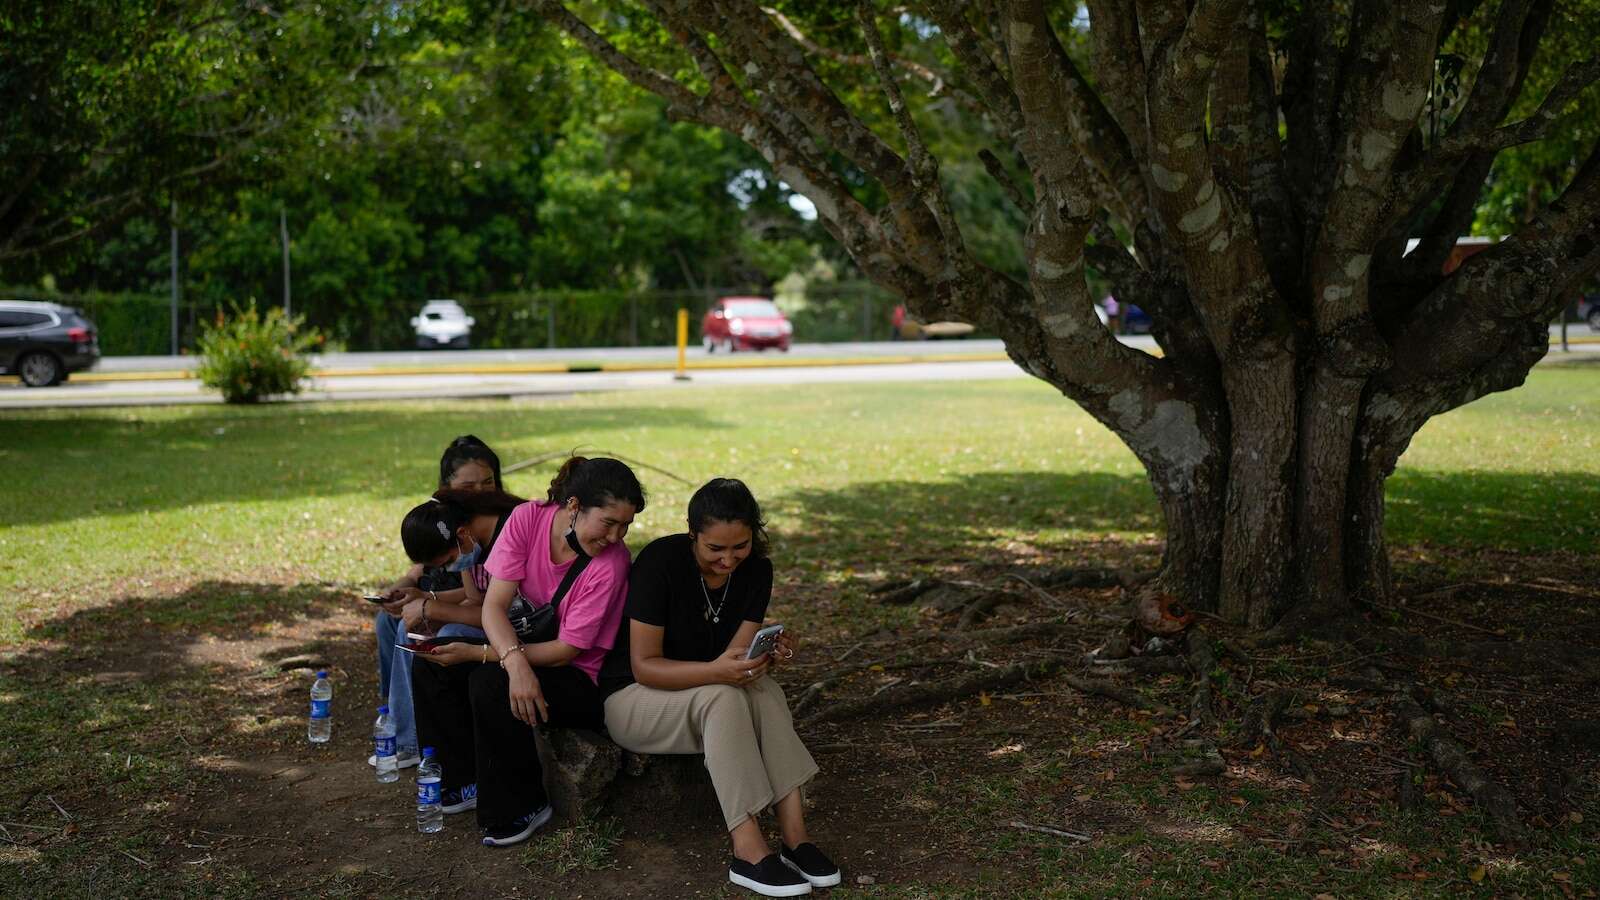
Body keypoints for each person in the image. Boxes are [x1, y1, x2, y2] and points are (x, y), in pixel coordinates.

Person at [600, 478, 839, 897]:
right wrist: (719, 673)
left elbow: (735, 660)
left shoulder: (757, 570)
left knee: (765, 692)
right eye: (715, 549)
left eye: (740, 546)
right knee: (723, 694)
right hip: (633, 701)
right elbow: (645, 667)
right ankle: (747, 851)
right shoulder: (661, 562)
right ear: (692, 533)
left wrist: (765, 657)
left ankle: (796, 840)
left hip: (703, 699)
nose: (729, 560)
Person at [422, 456, 643, 847]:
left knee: (489, 681)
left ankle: (522, 805)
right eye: (609, 522)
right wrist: (514, 660)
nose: (616, 536)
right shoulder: (527, 518)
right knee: (434, 654)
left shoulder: (612, 563)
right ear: (573, 506)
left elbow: (566, 650)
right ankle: (463, 780)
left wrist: (496, 659)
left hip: (580, 678)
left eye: (626, 525)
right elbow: (493, 605)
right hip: (524, 648)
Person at [369, 435, 503, 768]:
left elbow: (491, 603)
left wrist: (431, 604)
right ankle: (400, 718)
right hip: (460, 602)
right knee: (394, 621)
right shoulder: (451, 524)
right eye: (469, 485)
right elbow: (468, 590)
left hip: (496, 621)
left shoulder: (496, 528)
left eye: (488, 483)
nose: (480, 492)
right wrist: (414, 592)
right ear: (447, 488)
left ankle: (410, 736)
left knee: (414, 631)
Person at [392, 487, 526, 814]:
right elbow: (476, 598)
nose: (454, 566)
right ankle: (422, 750)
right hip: (498, 625)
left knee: (447, 637)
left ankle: (460, 771)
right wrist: (427, 602)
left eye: (451, 560)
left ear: (462, 535)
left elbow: (501, 613)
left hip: (518, 631)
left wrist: (433, 608)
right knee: (411, 632)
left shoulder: (507, 535)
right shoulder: (469, 544)